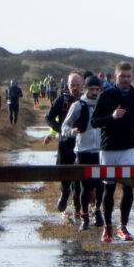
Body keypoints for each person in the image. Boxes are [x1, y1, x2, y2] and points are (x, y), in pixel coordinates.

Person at [90, 61, 134, 242]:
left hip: (128, 148)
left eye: (129, 76)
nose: (126, 79)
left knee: (128, 186)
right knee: (109, 187)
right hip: (109, 148)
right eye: (122, 76)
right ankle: (107, 227)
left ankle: (123, 226)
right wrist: (111, 117)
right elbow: (94, 122)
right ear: (115, 76)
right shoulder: (106, 96)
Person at [60, 74, 105, 230]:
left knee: (100, 185)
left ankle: (98, 210)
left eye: (97, 89)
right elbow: (64, 126)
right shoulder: (78, 106)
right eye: (91, 89)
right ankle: (84, 216)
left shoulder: (103, 105)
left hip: (99, 151)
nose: (94, 92)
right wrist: (70, 132)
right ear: (86, 89)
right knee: (84, 186)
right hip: (83, 150)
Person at [44, 74, 80, 220]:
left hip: (82, 144)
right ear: (68, 85)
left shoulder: (86, 100)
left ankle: (78, 208)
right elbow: (49, 117)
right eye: (73, 85)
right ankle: (65, 193)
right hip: (65, 142)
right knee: (64, 173)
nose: (75, 88)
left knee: (79, 175)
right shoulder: (62, 100)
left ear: (82, 85)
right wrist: (59, 130)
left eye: (78, 85)